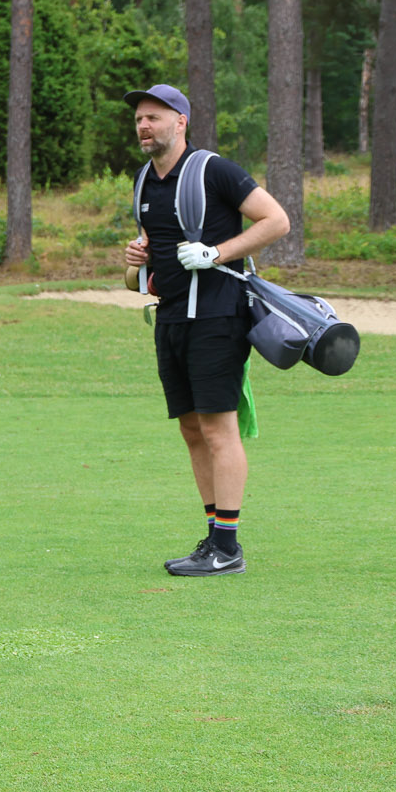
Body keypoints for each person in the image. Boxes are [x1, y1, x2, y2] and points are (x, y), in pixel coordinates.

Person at [120, 85, 290, 576]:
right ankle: (213, 540)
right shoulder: (144, 181)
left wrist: (217, 253)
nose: (144, 126)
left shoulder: (215, 170)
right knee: (192, 429)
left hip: (217, 316)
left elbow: (276, 220)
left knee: (218, 428)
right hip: (170, 317)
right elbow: (138, 274)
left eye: (154, 117)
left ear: (181, 122)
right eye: (139, 118)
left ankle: (227, 548)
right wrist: (133, 262)